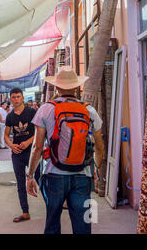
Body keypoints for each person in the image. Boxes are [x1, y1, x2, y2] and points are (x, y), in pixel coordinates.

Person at [26, 67, 104, 234]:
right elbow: (99, 146)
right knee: (83, 224)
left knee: (52, 221)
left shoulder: (46, 109)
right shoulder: (89, 110)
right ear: (76, 87)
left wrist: (30, 175)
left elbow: (37, 147)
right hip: (82, 175)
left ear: (57, 87)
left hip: (54, 174)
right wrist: (96, 171)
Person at [4, 88, 40, 223]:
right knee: (20, 183)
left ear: (23, 98)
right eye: (13, 97)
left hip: (33, 152)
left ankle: (52, 208)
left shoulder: (32, 112)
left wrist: (28, 141)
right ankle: (25, 212)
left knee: (40, 179)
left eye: (18, 97)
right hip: (17, 154)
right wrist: (11, 145)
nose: (16, 99)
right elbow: (6, 136)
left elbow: (40, 131)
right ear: (10, 99)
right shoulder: (10, 116)